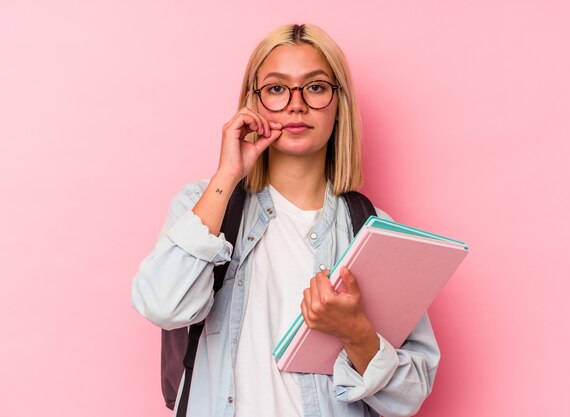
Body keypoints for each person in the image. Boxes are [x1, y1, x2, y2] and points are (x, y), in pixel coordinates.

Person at [131, 23, 440, 417]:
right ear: (253, 102)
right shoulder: (202, 205)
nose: (296, 104)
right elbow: (163, 305)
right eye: (276, 88)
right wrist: (228, 174)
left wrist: (355, 332)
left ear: (338, 103)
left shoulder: (374, 231)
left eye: (315, 87)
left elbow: (409, 396)